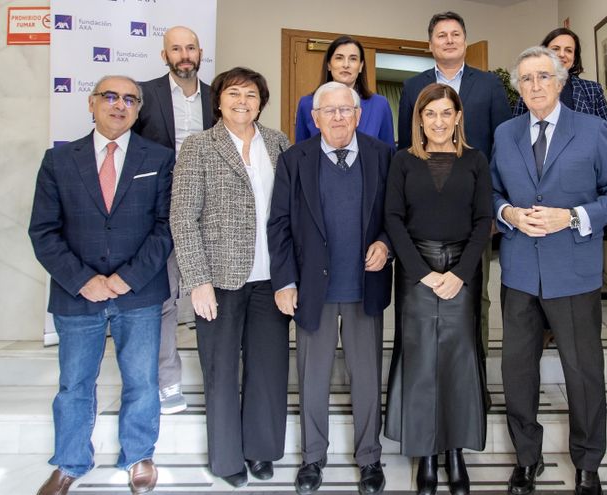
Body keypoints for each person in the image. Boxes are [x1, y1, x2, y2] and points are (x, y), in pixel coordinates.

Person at [491, 47, 607, 495]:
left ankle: (588, 463)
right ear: (518, 87)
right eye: (526, 79)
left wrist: (572, 216)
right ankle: (526, 459)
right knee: (517, 371)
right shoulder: (505, 133)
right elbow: (491, 193)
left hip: (573, 272)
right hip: (519, 273)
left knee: (583, 372)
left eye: (543, 77)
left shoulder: (592, 130)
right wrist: (509, 214)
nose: (535, 85)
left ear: (560, 81)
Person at [29, 75, 174, 495]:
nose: (119, 104)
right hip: (78, 296)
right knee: (74, 384)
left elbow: (166, 226)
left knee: (142, 381)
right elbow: (43, 231)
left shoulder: (160, 158)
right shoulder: (58, 160)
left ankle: (139, 455)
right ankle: (70, 462)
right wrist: (83, 280)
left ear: (138, 109)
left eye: (130, 99)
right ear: (91, 104)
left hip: (139, 293)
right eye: (110, 96)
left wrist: (128, 277)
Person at [169, 67, 292, 488]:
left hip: (271, 279)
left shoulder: (278, 143)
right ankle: (226, 460)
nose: (243, 101)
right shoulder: (199, 147)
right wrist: (198, 280)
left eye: (252, 95)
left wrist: (291, 276)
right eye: (234, 93)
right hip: (218, 281)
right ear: (218, 101)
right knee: (220, 371)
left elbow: (291, 213)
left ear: (262, 102)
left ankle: (261, 450)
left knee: (268, 368)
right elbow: (183, 217)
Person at [269, 81, 393, 495]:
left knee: (366, 377)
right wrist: (285, 281)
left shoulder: (382, 155)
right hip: (312, 289)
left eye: (346, 110)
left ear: (358, 116)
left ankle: (370, 457)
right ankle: (312, 458)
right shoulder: (294, 159)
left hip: (364, 286)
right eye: (330, 110)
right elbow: (279, 224)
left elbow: (396, 214)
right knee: (313, 378)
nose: (338, 117)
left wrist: (386, 244)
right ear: (314, 118)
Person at [384, 83, 491, 495]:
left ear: (458, 116)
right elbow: (393, 219)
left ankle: (455, 451)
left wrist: (460, 274)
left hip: (463, 270)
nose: (439, 121)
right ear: (419, 119)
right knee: (421, 361)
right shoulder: (403, 161)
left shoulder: (476, 161)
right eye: (430, 114)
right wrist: (422, 273)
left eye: (447, 113)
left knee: (458, 361)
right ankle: (426, 452)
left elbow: (483, 221)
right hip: (417, 271)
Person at [398, 10, 511, 397]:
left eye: (455, 34)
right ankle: (426, 387)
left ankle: (474, 383)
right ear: (430, 44)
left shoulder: (490, 85)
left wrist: (491, 206)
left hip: (473, 211)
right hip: (424, 218)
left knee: (475, 297)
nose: (448, 40)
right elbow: (406, 147)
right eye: (441, 35)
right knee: (423, 301)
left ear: (465, 40)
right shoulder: (413, 87)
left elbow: (502, 146)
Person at [132, 25, 214, 415]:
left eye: (190, 48)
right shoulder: (143, 95)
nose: (184, 55)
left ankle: (217, 376)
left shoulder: (217, 97)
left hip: (208, 211)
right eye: (176, 49)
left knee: (211, 296)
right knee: (163, 299)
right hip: (159, 211)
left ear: (200, 53)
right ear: (164, 55)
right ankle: (167, 380)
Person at [295, 35, 394, 149]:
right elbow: (300, 153)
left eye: (353, 59)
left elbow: (389, 153)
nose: (346, 65)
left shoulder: (379, 105)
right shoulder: (307, 104)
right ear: (329, 65)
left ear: (361, 66)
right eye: (339, 58)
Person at [512, 27, 607, 136]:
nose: (562, 54)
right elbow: (516, 132)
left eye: (568, 50)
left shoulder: (592, 90)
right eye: (555, 49)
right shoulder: (529, 88)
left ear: (574, 58)